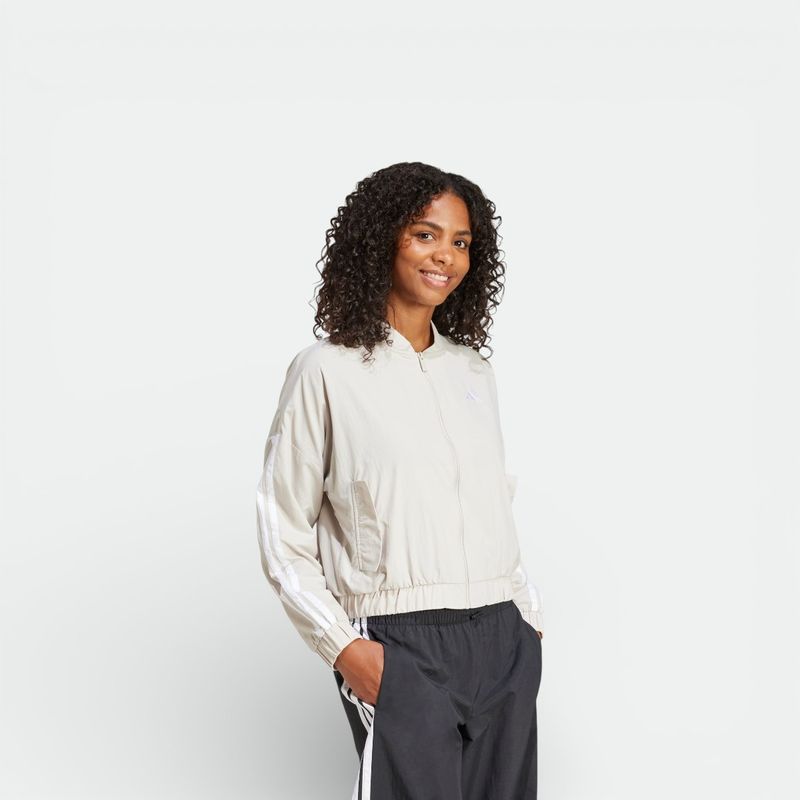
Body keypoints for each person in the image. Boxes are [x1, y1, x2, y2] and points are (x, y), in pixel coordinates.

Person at [255, 161, 544, 799]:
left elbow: (493, 503)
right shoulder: (326, 370)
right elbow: (283, 527)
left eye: (461, 241)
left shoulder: (472, 372)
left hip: (502, 639)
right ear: (382, 239)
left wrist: (527, 622)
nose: (446, 255)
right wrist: (342, 647)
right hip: (398, 641)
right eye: (425, 235)